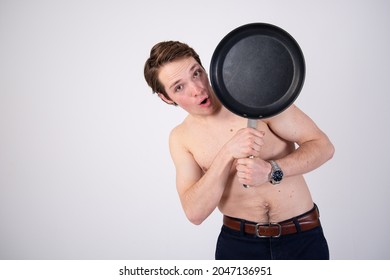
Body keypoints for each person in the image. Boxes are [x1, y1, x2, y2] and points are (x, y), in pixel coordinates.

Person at [143, 41, 335, 260]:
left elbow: (323, 146)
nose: (197, 89)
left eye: (196, 73)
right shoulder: (181, 138)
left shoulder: (257, 97)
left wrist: (272, 170)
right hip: (238, 245)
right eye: (179, 87)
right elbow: (195, 213)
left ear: (205, 69)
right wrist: (228, 152)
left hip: (301, 236)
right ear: (166, 98)